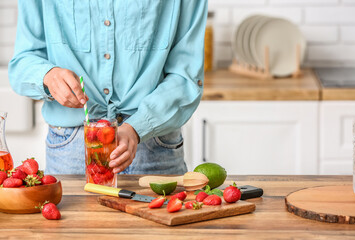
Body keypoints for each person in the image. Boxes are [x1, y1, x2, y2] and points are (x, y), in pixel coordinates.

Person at [8, 0, 207, 175]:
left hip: (154, 144)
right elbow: (22, 63)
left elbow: (186, 76)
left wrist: (138, 127)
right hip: (71, 149)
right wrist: (48, 76)